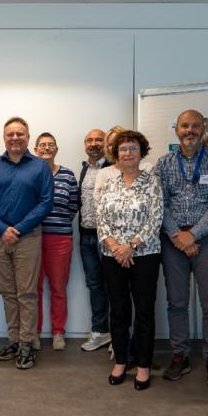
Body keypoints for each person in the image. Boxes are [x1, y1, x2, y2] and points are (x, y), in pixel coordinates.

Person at [154, 109, 208, 389]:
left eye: (196, 126)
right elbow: (158, 202)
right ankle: (180, 355)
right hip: (173, 240)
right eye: (185, 126)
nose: (190, 131)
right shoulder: (163, 164)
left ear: (204, 130)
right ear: (176, 130)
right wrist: (177, 234)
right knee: (176, 302)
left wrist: (194, 234)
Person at [0, 116, 53, 370]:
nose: (15, 138)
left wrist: (18, 229)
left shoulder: (40, 167)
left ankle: (26, 343)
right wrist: (1, 229)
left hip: (28, 237)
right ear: (4, 137)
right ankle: (14, 338)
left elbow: (45, 202)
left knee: (27, 293)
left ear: (28, 137)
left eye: (20, 133)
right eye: (10, 134)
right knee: (7, 292)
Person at [97, 130, 162, 390]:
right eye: (123, 149)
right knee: (119, 310)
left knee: (144, 310)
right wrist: (115, 246)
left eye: (133, 148)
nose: (127, 153)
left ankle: (143, 365)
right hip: (112, 256)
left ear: (141, 152)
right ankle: (122, 360)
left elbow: (155, 218)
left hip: (144, 255)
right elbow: (101, 217)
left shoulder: (151, 182)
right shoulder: (110, 182)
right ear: (116, 153)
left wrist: (131, 246)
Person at [33, 132, 78, 350]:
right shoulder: (29, 173)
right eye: (42, 145)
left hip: (60, 239)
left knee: (58, 287)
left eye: (51, 145)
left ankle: (58, 332)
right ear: (35, 149)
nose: (47, 148)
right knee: (34, 288)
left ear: (56, 149)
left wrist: (58, 222)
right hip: (32, 238)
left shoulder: (68, 175)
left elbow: (73, 205)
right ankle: (34, 332)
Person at [78, 128, 113, 352]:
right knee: (94, 286)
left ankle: (119, 336)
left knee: (115, 285)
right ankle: (101, 332)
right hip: (86, 236)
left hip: (108, 237)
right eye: (89, 139)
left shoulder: (113, 168)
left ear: (106, 143)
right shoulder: (83, 170)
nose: (94, 143)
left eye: (98, 139)